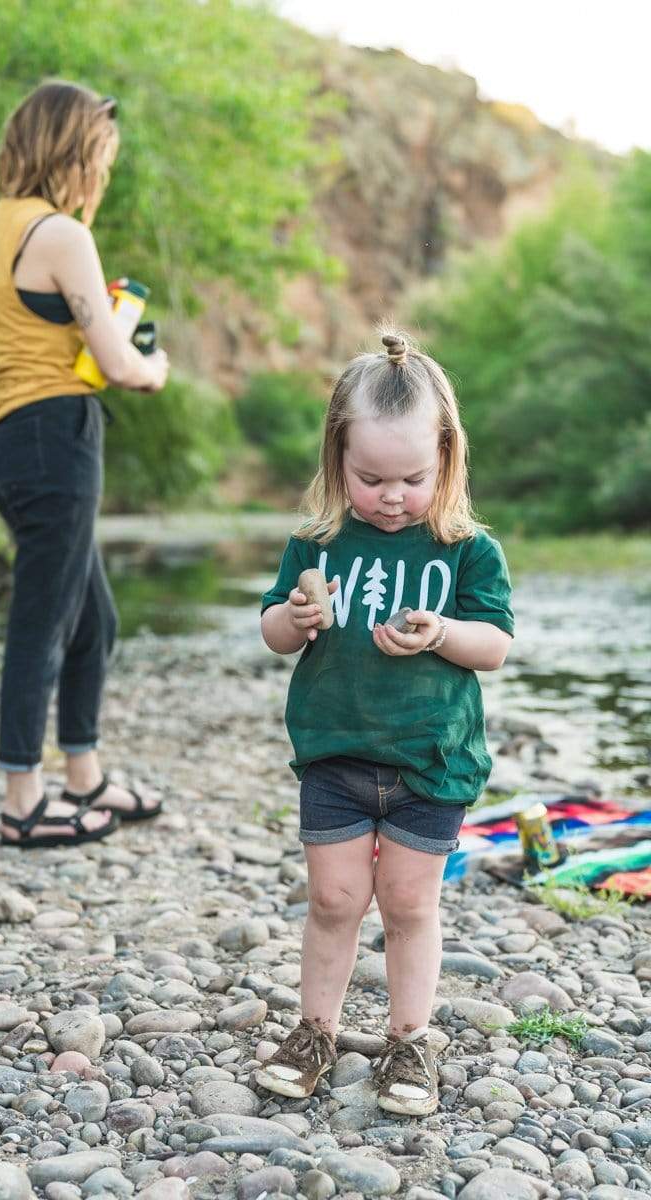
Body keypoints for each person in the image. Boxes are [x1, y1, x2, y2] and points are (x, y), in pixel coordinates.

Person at [256, 331, 514, 1115]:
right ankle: (315, 1034)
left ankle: (408, 1044)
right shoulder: (317, 543)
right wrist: (296, 617)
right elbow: (271, 628)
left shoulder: (467, 550)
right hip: (335, 754)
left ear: (446, 462)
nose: (393, 496)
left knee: (408, 905)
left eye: (413, 478)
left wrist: (438, 633)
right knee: (333, 901)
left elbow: (495, 645)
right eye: (370, 479)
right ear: (338, 461)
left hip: (430, 762)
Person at [0, 80, 169, 849]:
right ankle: (23, 800)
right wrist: (158, 366)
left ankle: (84, 778)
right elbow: (119, 363)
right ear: (75, 150)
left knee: (95, 619)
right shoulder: (60, 234)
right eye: (102, 158)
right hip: (56, 438)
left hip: (8, 439)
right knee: (44, 621)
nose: (103, 175)